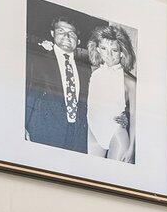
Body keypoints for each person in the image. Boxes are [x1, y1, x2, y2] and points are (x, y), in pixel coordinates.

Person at [25, 17, 87, 153]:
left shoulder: (86, 70)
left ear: (78, 40)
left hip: (78, 136)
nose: (66, 36)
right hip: (45, 132)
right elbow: (27, 94)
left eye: (71, 33)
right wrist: (23, 125)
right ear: (52, 34)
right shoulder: (36, 59)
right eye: (61, 31)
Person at [84, 24, 134, 161]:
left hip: (116, 132)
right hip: (93, 130)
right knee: (91, 174)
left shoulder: (130, 82)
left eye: (114, 50)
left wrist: (131, 149)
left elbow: (136, 117)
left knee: (114, 175)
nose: (109, 55)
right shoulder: (94, 73)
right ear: (98, 49)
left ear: (122, 52)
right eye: (104, 49)